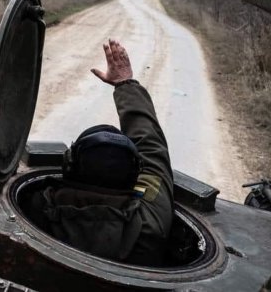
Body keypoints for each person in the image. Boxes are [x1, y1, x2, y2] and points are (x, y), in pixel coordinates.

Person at [36, 39, 174, 266]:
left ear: (69, 166)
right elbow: (151, 149)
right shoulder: (151, 224)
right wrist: (125, 83)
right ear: (135, 180)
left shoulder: (38, 208)